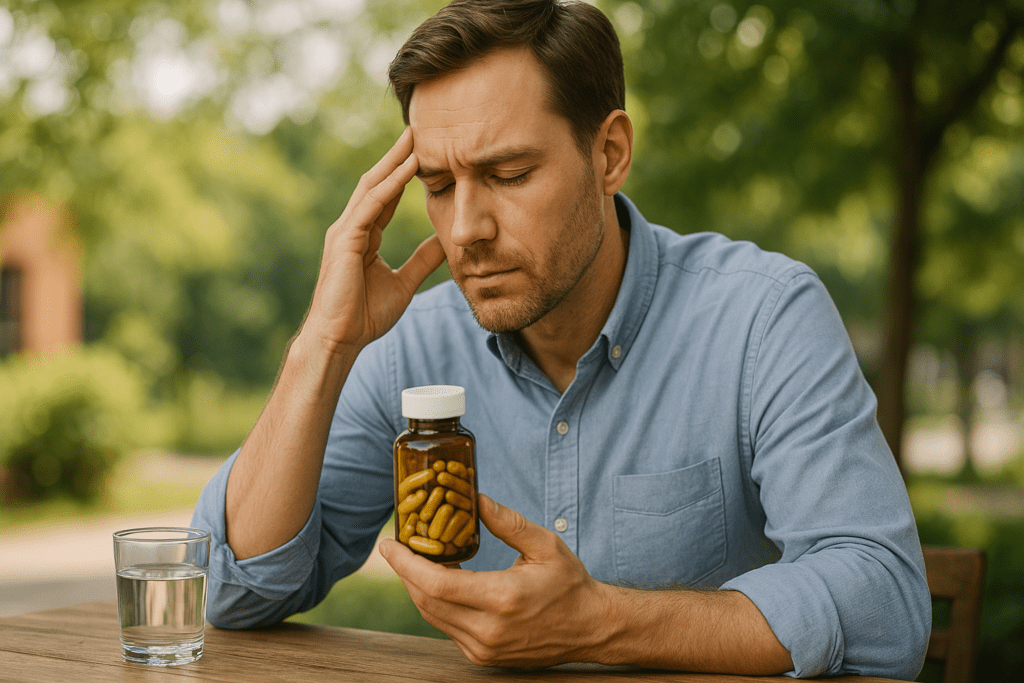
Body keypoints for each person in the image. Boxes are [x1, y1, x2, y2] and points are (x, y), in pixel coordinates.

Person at [191, 0, 931, 678]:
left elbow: (884, 599)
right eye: (440, 186)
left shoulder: (762, 318)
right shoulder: (408, 346)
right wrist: (321, 345)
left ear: (608, 154)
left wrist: (603, 623)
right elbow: (233, 590)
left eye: (508, 173)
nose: (465, 230)